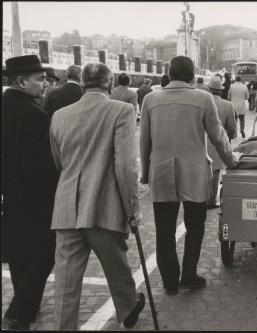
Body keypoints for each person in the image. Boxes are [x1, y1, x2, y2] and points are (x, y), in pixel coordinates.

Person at [49, 62, 144, 330]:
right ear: (110, 83)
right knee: (116, 266)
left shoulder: (59, 116)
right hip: (104, 206)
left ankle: (64, 327)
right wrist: (133, 210)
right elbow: (126, 166)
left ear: (81, 84)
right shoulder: (121, 111)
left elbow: (59, 161)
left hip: (67, 207)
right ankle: (127, 309)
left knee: (66, 283)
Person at [140, 56, 240, 295]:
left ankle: (170, 281)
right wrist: (230, 161)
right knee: (195, 226)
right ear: (192, 76)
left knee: (164, 230)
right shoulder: (203, 98)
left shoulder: (150, 99)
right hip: (194, 172)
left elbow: (144, 141)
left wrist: (145, 173)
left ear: (169, 74)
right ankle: (188, 274)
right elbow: (218, 136)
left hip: (161, 171)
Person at [2, 55, 59, 331]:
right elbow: (41, 164)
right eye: (40, 79)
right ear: (21, 81)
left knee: (18, 251)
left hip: (9, 194)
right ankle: (19, 312)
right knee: (45, 252)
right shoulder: (34, 114)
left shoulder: (5, 106)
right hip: (35, 197)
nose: (45, 83)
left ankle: (28, 306)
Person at [206, 75, 238, 207]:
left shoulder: (202, 102)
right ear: (220, 91)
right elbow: (232, 128)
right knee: (215, 170)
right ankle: (211, 201)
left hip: (201, 140)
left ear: (208, 89)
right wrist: (229, 137)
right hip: (218, 141)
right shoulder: (228, 105)